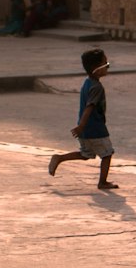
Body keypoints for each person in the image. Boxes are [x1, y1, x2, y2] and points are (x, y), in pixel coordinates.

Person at [48, 48, 118, 190]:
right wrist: (82, 126)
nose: (108, 66)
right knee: (107, 153)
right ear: (95, 68)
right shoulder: (97, 87)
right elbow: (89, 108)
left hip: (86, 129)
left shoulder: (87, 83)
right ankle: (102, 182)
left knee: (86, 154)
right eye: (105, 63)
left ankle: (59, 158)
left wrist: (81, 126)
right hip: (95, 128)